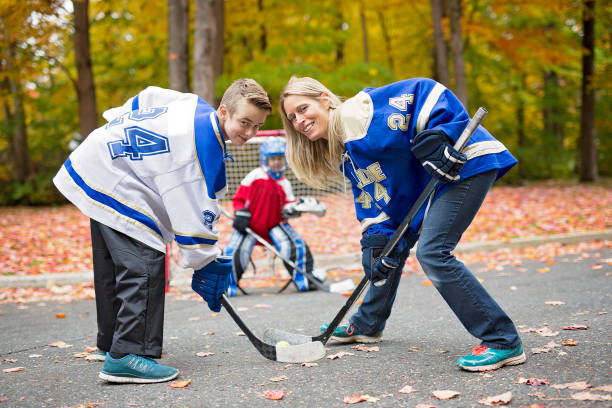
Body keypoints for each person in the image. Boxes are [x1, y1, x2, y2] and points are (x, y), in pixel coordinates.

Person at [279, 76, 526, 372]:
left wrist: (442, 135)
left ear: (325, 100)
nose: (299, 120)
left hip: (463, 162)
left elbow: (424, 91)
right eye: (293, 117)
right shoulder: (348, 151)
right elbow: (377, 201)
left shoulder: (357, 114)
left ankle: (502, 340)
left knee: (433, 253)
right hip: (437, 182)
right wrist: (376, 240)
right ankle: (367, 324)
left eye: (303, 108)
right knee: (387, 249)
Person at [53, 79, 271, 383]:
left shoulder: (195, 105)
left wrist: (117, 123)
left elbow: (148, 96)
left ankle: (111, 344)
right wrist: (206, 263)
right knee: (144, 261)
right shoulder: (201, 150)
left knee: (114, 264)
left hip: (97, 158)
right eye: (244, 122)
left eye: (257, 126)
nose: (249, 133)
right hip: (115, 175)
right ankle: (127, 355)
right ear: (224, 112)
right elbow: (193, 219)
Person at [224, 137, 327, 295]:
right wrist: (240, 213)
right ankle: (225, 285)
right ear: (265, 160)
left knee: (295, 245)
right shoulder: (255, 175)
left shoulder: (285, 183)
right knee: (234, 250)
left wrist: (296, 208)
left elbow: (286, 207)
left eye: (279, 158)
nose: (277, 162)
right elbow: (239, 198)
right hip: (250, 225)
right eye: (273, 159)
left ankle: (305, 279)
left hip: (274, 225)